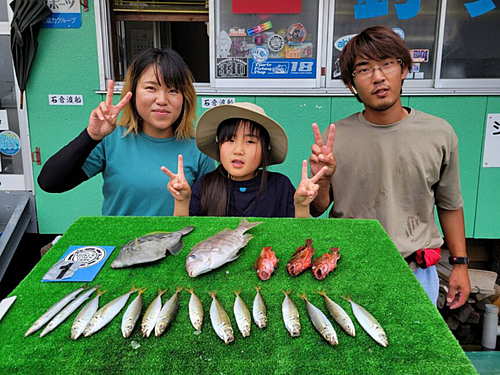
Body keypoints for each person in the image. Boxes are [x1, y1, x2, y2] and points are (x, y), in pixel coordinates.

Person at [309, 26, 470, 309]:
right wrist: (323, 179)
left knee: (414, 351)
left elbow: (450, 204)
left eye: (387, 64)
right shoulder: (338, 136)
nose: (378, 76)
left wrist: (460, 264)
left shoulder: (439, 133)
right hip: (348, 268)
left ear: (404, 69)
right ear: (351, 84)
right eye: (364, 69)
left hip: (416, 271)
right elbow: (318, 208)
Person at [38, 48, 215, 216]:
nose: (162, 100)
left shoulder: (198, 148)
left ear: (185, 98)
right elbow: (50, 183)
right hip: (120, 244)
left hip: (176, 245)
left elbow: (206, 214)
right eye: (151, 88)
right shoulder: (111, 139)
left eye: (173, 90)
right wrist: (90, 136)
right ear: (133, 92)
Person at [162, 102, 327, 218]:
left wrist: (302, 206)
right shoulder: (205, 185)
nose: (238, 150)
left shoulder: (280, 186)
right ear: (218, 145)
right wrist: (182, 201)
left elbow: (298, 240)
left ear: (265, 148)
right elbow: (185, 237)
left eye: (250, 141)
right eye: (230, 140)